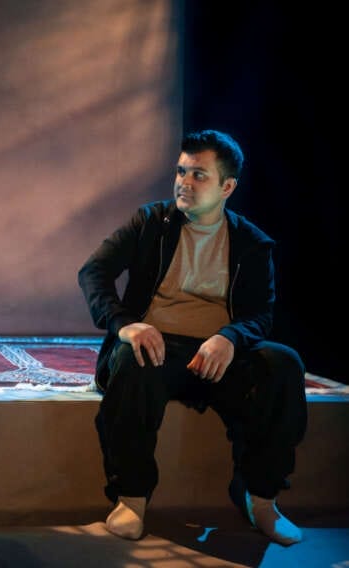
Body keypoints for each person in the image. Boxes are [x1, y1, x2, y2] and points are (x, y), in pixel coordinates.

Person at [77, 129, 307, 546]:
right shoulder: (150, 222)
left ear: (227, 187)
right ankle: (132, 497)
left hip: (215, 353)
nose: (184, 181)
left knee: (283, 363)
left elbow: (261, 313)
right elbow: (94, 272)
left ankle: (262, 500)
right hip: (158, 346)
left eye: (199, 174)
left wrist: (231, 337)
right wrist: (124, 323)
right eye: (181, 171)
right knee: (133, 358)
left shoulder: (252, 243)